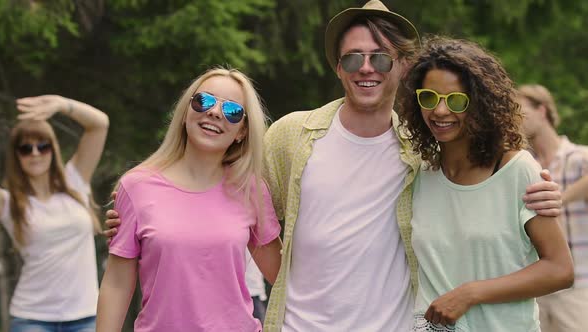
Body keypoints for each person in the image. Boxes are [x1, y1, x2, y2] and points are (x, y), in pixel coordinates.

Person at [104, 1, 562, 331]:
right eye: (353, 57)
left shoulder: (423, 150)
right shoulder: (290, 136)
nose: (368, 67)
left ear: (402, 66)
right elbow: (228, 201)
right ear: (337, 67)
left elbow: (480, 171)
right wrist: (144, 212)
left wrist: (540, 185)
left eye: (381, 57)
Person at [398, 36, 574, 331]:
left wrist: (471, 293)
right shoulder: (418, 175)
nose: (440, 111)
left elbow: (560, 269)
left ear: (480, 106)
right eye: (429, 98)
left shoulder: (516, 170)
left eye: (456, 100)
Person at [95, 67, 282, 332]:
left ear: (241, 131)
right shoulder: (135, 186)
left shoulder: (250, 189)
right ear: (185, 113)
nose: (215, 112)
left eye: (232, 111)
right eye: (204, 101)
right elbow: (116, 284)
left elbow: (284, 279)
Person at [0, 95, 109, 332]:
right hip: (32, 319)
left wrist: (61, 105)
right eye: (26, 148)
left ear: (53, 148)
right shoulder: (8, 202)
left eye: (43, 145)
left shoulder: (76, 180)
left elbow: (99, 124)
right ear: (16, 156)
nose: (36, 153)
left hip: (87, 316)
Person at [518, 84, 588, 332]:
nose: (516, 119)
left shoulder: (579, 156)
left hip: (578, 287)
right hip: (538, 289)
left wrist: (559, 198)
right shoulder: (523, 165)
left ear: (542, 110)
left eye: (521, 111)